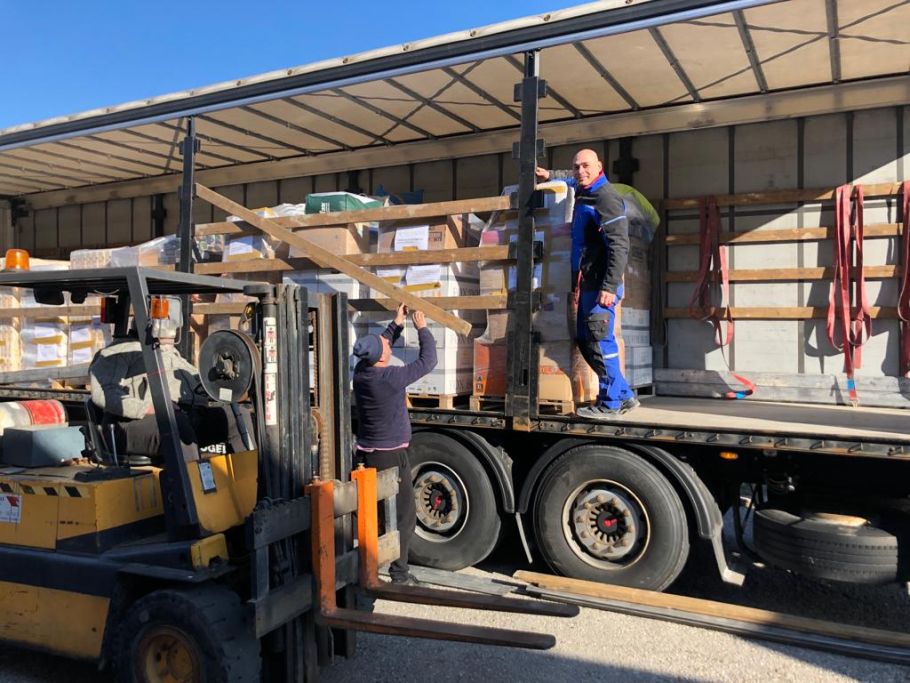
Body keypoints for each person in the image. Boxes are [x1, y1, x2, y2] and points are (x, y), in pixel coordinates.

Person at [537, 149, 639, 418]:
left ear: (599, 166)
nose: (580, 171)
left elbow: (619, 246)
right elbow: (570, 179)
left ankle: (610, 403)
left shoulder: (606, 198)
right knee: (585, 340)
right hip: (588, 283)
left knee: (600, 339)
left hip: (602, 284)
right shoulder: (583, 188)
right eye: (576, 166)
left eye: (586, 166)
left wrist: (609, 287)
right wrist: (550, 175)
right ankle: (624, 394)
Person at [89, 299, 251, 460]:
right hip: (128, 425)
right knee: (176, 424)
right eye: (166, 320)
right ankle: (192, 476)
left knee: (236, 416)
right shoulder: (118, 351)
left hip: (181, 417)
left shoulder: (170, 353)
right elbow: (102, 392)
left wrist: (224, 380)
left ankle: (250, 472)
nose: (172, 328)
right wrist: (146, 408)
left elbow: (199, 382)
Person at [352, 303, 437, 586]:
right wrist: (422, 328)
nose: (389, 346)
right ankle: (399, 573)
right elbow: (428, 362)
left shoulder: (362, 373)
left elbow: (380, 345)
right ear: (381, 358)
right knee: (404, 515)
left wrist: (397, 323)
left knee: (374, 512)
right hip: (390, 457)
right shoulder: (389, 378)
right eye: (386, 347)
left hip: (368, 453)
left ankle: (369, 564)